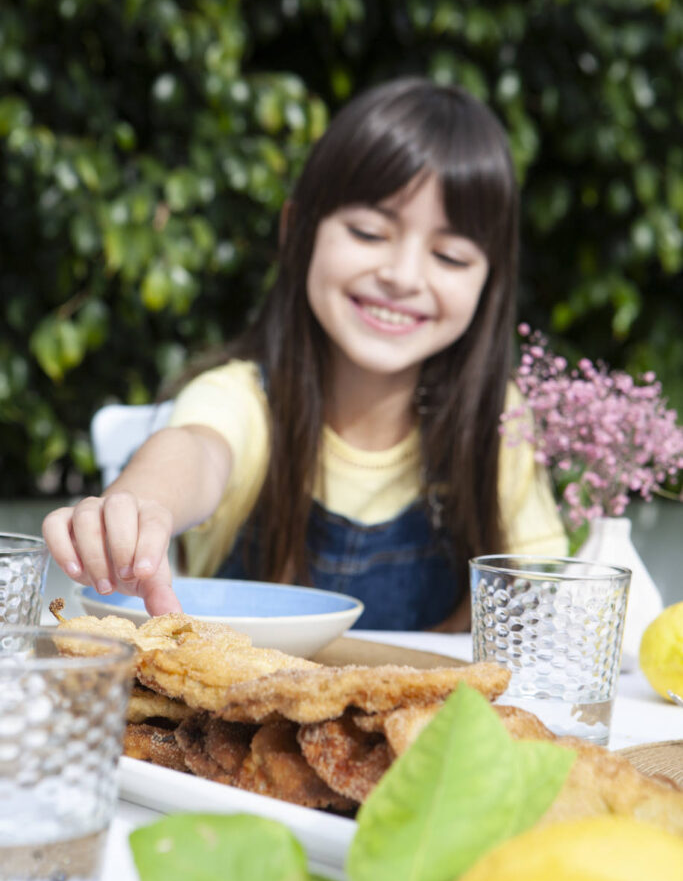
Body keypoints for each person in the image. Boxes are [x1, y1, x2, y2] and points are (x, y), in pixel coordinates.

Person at [43, 77, 567, 630]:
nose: (402, 276)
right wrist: (138, 505)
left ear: (490, 281)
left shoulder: (499, 422)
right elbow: (194, 450)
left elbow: (546, 594)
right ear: (297, 231)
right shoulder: (243, 400)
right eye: (368, 232)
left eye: (451, 256)